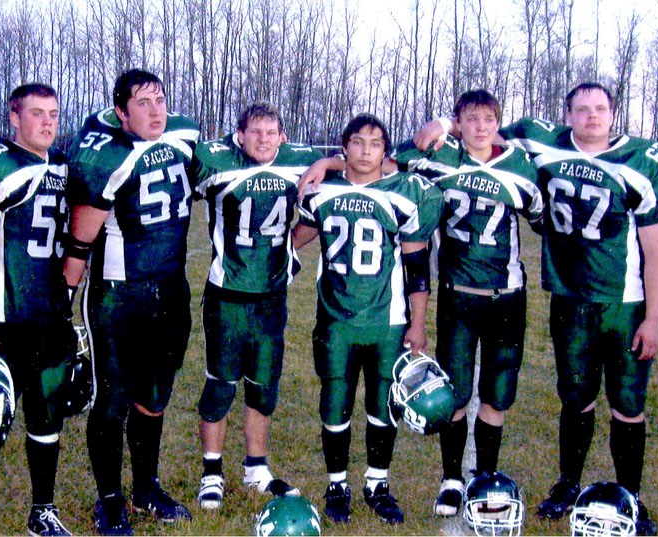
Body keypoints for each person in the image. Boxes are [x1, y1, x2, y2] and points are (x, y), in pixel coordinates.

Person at [415, 82, 658, 535]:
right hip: (569, 297)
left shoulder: (643, 162)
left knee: (627, 405)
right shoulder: (540, 141)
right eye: (582, 109)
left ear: (613, 114)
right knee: (575, 400)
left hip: (625, 302)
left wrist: (654, 317)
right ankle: (567, 484)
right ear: (568, 114)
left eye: (600, 109)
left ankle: (630, 498)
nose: (592, 116)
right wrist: (444, 121)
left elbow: (655, 250)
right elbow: (477, 129)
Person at [395, 89, 543, 517]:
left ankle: (485, 477)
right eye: (471, 118)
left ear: (498, 121)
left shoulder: (518, 164)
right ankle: (452, 479)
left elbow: (539, 213)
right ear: (460, 120)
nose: (480, 127)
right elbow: (392, 157)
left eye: (488, 119)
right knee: (456, 394)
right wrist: (440, 124)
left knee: (496, 396)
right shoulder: (440, 157)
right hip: (458, 295)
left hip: (507, 296)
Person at [64, 68, 199, 535]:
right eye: (143, 102)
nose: (156, 109)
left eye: (160, 99)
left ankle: (146, 488)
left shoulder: (184, 136)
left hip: (171, 290)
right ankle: (109, 500)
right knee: (113, 399)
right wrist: (66, 300)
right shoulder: (107, 152)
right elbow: (81, 240)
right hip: (119, 296)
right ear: (121, 112)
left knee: (155, 396)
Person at [292, 113, 443, 525]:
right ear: (344, 148)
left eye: (375, 144)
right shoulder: (321, 192)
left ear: (385, 151)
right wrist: (284, 252)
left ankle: (377, 483)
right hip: (336, 317)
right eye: (357, 142)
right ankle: (337, 483)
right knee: (335, 401)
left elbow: (417, 268)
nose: (365, 151)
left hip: (388, 319)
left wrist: (418, 323)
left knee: (382, 403)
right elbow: (303, 231)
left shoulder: (405, 192)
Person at [0, 83, 75, 536]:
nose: (46, 122)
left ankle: (42, 511)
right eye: (37, 113)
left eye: (53, 114)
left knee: (47, 420)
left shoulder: (62, 165)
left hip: (50, 318)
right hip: (3, 322)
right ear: (13, 117)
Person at [190, 102, 323, 509]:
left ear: (283, 136)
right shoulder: (216, 162)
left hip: (271, 296)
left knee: (263, 386)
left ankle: (256, 470)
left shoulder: (301, 162)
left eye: (271, 132)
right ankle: (212, 472)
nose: (263, 140)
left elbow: (322, 206)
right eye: (255, 132)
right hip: (227, 292)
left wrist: (287, 247)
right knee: (220, 383)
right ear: (240, 135)